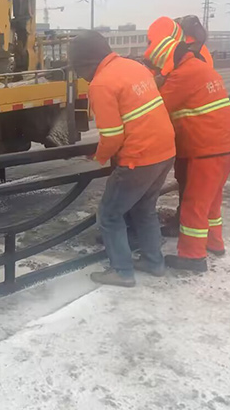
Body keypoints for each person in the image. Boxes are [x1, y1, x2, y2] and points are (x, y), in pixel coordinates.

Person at [68, 31, 176, 287]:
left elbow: (113, 136)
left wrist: (98, 155)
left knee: (109, 215)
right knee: (144, 209)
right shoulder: (133, 67)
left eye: (78, 69)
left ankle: (122, 271)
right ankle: (153, 261)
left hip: (138, 158)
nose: (81, 76)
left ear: (87, 63)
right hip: (165, 152)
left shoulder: (101, 84)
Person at [144, 16, 230, 273]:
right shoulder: (199, 66)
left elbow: (157, 107)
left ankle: (192, 256)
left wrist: (151, 83)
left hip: (206, 148)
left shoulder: (183, 75)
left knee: (194, 202)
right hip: (224, 144)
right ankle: (214, 242)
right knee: (211, 199)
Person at [159, 15, 214, 237]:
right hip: (198, 126)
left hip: (192, 129)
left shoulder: (188, 53)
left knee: (188, 181)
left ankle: (185, 225)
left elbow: (171, 87)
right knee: (190, 181)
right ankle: (187, 219)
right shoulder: (201, 51)